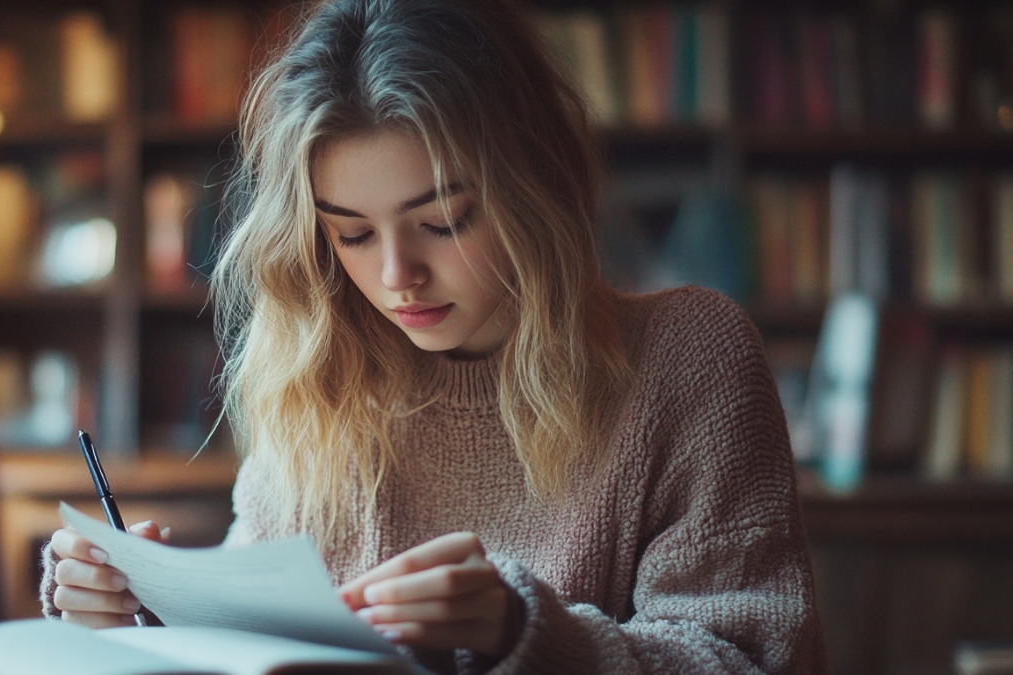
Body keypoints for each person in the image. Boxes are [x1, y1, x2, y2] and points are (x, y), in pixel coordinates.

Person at [41, 0, 827, 672]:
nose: (395, 276)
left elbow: (751, 658)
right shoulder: (323, 374)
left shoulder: (688, 357)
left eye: (442, 221)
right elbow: (262, 649)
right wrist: (132, 620)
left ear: (536, 185)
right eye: (350, 234)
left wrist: (523, 634)